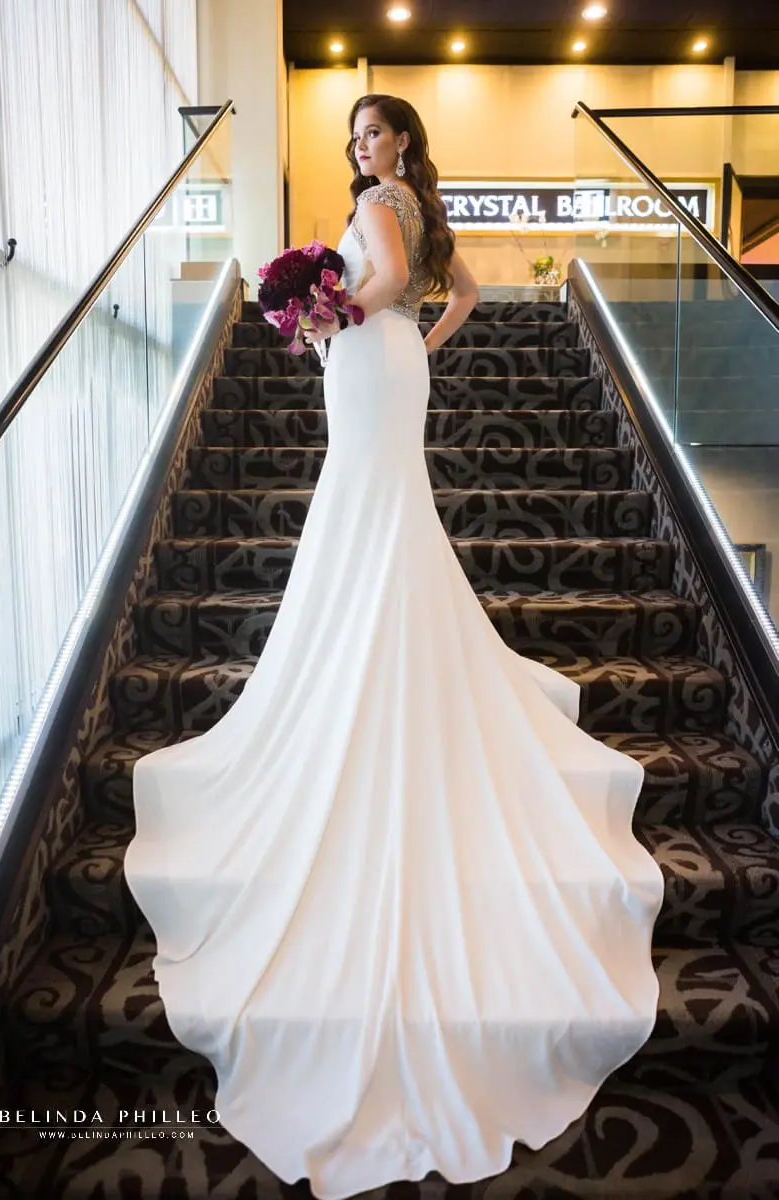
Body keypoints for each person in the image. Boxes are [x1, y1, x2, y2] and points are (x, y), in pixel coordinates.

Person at [124, 94, 664, 1200]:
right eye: (359, 135)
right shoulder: (420, 205)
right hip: (390, 366)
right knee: (377, 517)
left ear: (400, 142)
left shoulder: (380, 201)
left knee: (364, 514)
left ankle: (368, 657)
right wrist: (390, 331)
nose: (363, 147)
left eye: (376, 132)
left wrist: (321, 311)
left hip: (371, 363)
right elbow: (452, 295)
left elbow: (376, 286)